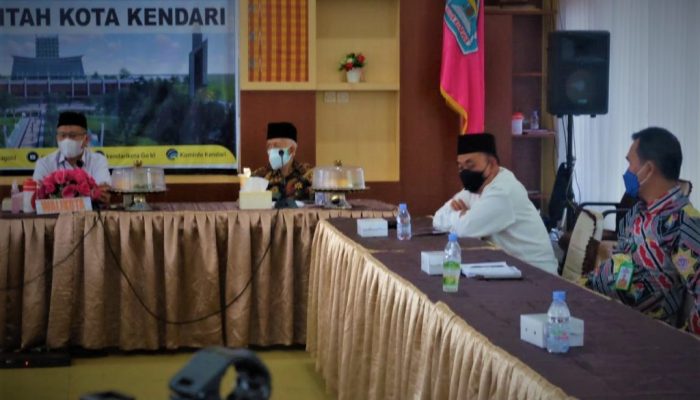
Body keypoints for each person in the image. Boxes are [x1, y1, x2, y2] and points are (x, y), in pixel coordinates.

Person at [587, 127, 699, 335]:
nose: (627, 170)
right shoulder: (638, 212)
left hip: (648, 340)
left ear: (648, 170)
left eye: (630, 163)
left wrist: (685, 346)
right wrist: (587, 288)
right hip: (610, 318)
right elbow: (623, 265)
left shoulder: (683, 224)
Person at [433, 133, 558, 275]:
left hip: (538, 277)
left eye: (470, 165)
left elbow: (464, 230)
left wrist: (463, 218)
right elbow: (438, 218)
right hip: (508, 270)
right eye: (461, 167)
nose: (465, 172)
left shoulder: (503, 191)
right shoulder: (476, 187)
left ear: (491, 164)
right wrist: (462, 216)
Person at [33, 111, 111, 203]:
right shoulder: (44, 163)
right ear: (57, 138)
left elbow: (103, 194)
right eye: (62, 135)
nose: (67, 140)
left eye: (73, 136)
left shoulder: (98, 161)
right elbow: (37, 197)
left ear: (86, 139)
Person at [252, 122, 313, 202]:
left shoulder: (307, 173)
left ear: (292, 150)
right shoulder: (259, 176)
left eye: (276, 146)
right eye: (269, 146)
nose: (271, 150)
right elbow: (243, 202)